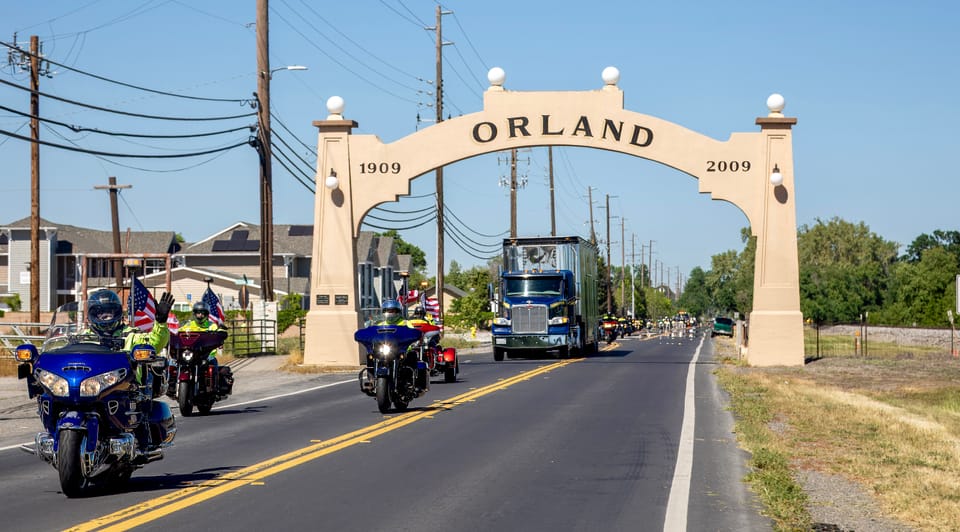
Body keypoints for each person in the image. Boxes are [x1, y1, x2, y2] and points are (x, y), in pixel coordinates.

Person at [85, 288, 174, 387]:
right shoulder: (83, 337)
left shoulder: (131, 334)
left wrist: (161, 322)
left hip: (127, 387)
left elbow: (155, 343)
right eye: (100, 313)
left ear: (117, 312)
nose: (106, 316)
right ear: (92, 315)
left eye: (109, 312)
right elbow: (66, 350)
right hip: (90, 387)